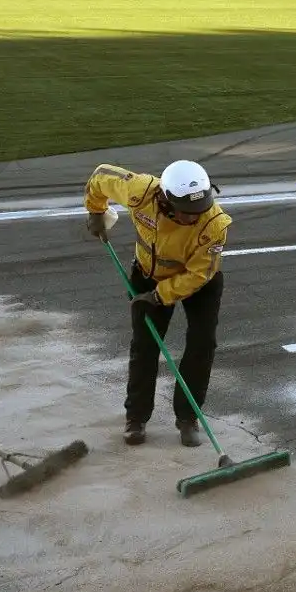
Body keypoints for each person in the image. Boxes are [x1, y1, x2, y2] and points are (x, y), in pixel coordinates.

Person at [84, 160, 232, 447]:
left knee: (203, 343)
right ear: (165, 199)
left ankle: (188, 417)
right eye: (187, 212)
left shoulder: (215, 222)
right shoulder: (141, 191)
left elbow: (199, 273)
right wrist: (96, 211)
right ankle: (136, 418)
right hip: (148, 274)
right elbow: (101, 176)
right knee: (145, 344)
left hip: (198, 283)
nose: (194, 217)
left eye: (200, 209)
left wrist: (158, 297)